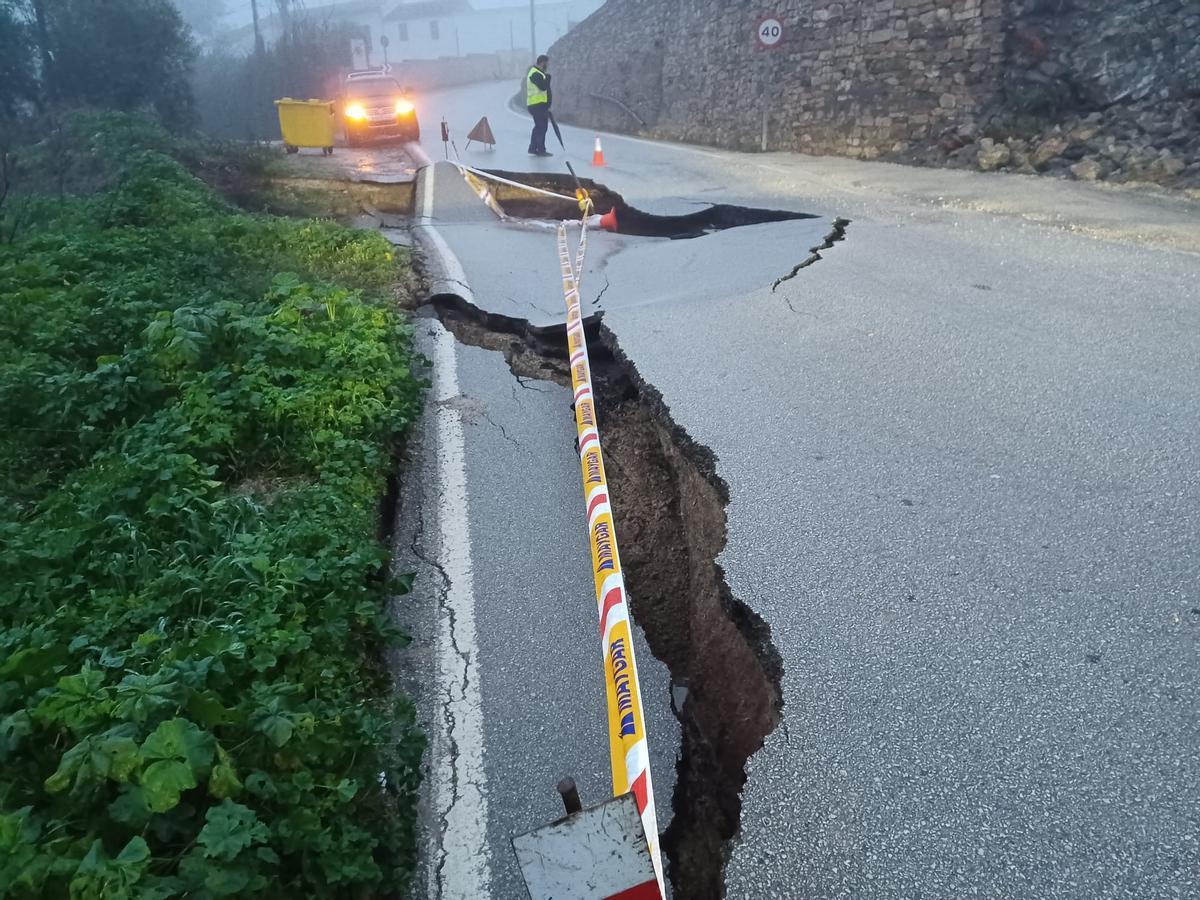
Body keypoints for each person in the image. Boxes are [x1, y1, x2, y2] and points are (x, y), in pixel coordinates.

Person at [526, 54, 552, 157]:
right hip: (537, 105)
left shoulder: (538, 73)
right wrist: (548, 78)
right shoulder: (535, 74)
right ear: (542, 62)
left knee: (538, 127)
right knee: (542, 127)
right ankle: (541, 150)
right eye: (547, 63)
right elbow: (543, 87)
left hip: (538, 105)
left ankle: (533, 148)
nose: (547, 65)